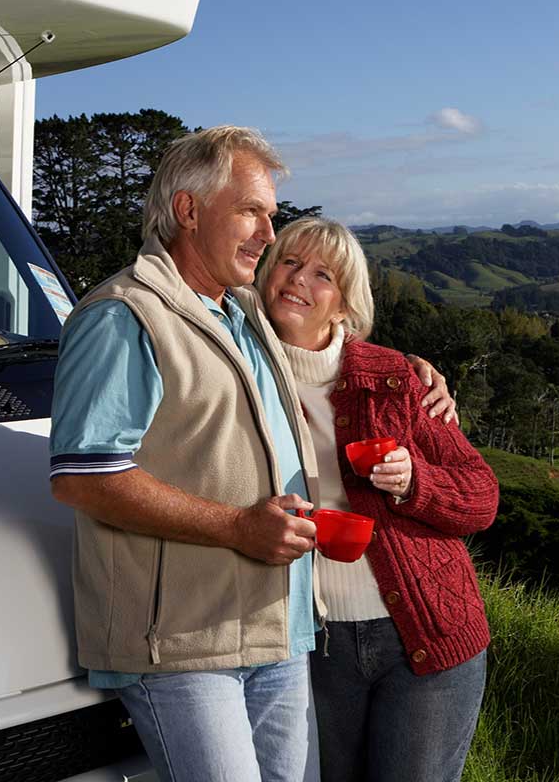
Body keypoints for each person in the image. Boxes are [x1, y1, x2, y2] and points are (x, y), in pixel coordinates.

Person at [48, 126, 452, 782]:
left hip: (276, 634)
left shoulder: (241, 312)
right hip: (182, 646)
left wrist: (414, 368)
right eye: (250, 212)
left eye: (270, 215)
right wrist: (238, 527)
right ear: (188, 210)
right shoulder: (124, 317)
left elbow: (326, 334)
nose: (268, 235)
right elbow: (84, 477)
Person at [257, 216, 499, 782]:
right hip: (310, 644)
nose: (299, 280)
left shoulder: (393, 377)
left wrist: (417, 481)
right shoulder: (241, 370)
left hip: (424, 634)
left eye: (323, 275)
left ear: (343, 305)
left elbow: (481, 497)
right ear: (266, 275)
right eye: (289, 262)